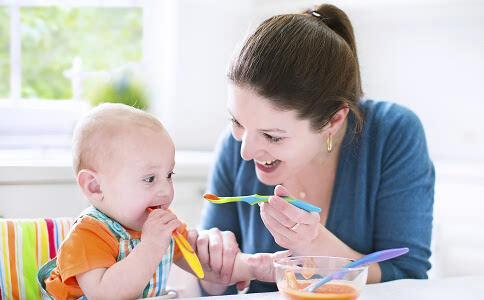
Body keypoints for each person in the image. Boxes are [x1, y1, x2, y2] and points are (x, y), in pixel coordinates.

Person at [199, 3, 435, 295]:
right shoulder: (233, 144)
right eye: (236, 121)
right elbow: (210, 288)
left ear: (333, 120)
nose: (245, 151)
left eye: (272, 136)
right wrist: (212, 269)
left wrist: (312, 243)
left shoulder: (393, 134)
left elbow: (407, 274)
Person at [40, 103, 285, 299]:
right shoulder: (87, 236)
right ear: (95, 187)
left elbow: (205, 264)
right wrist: (151, 245)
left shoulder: (161, 227)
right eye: (149, 179)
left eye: (169, 175)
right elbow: (105, 294)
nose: (166, 190)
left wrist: (255, 266)